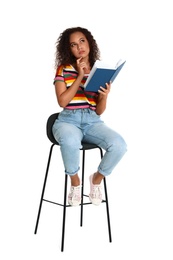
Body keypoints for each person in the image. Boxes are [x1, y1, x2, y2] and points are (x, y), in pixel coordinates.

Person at [52, 26, 127, 206]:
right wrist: (79, 76)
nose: (79, 47)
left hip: (92, 120)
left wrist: (104, 95)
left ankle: (96, 179)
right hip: (67, 120)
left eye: (82, 41)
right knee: (70, 142)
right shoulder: (63, 69)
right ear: (68, 49)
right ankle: (75, 182)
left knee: (119, 145)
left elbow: (99, 110)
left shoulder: (98, 70)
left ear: (89, 43)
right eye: (73, 44)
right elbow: (62, 101)